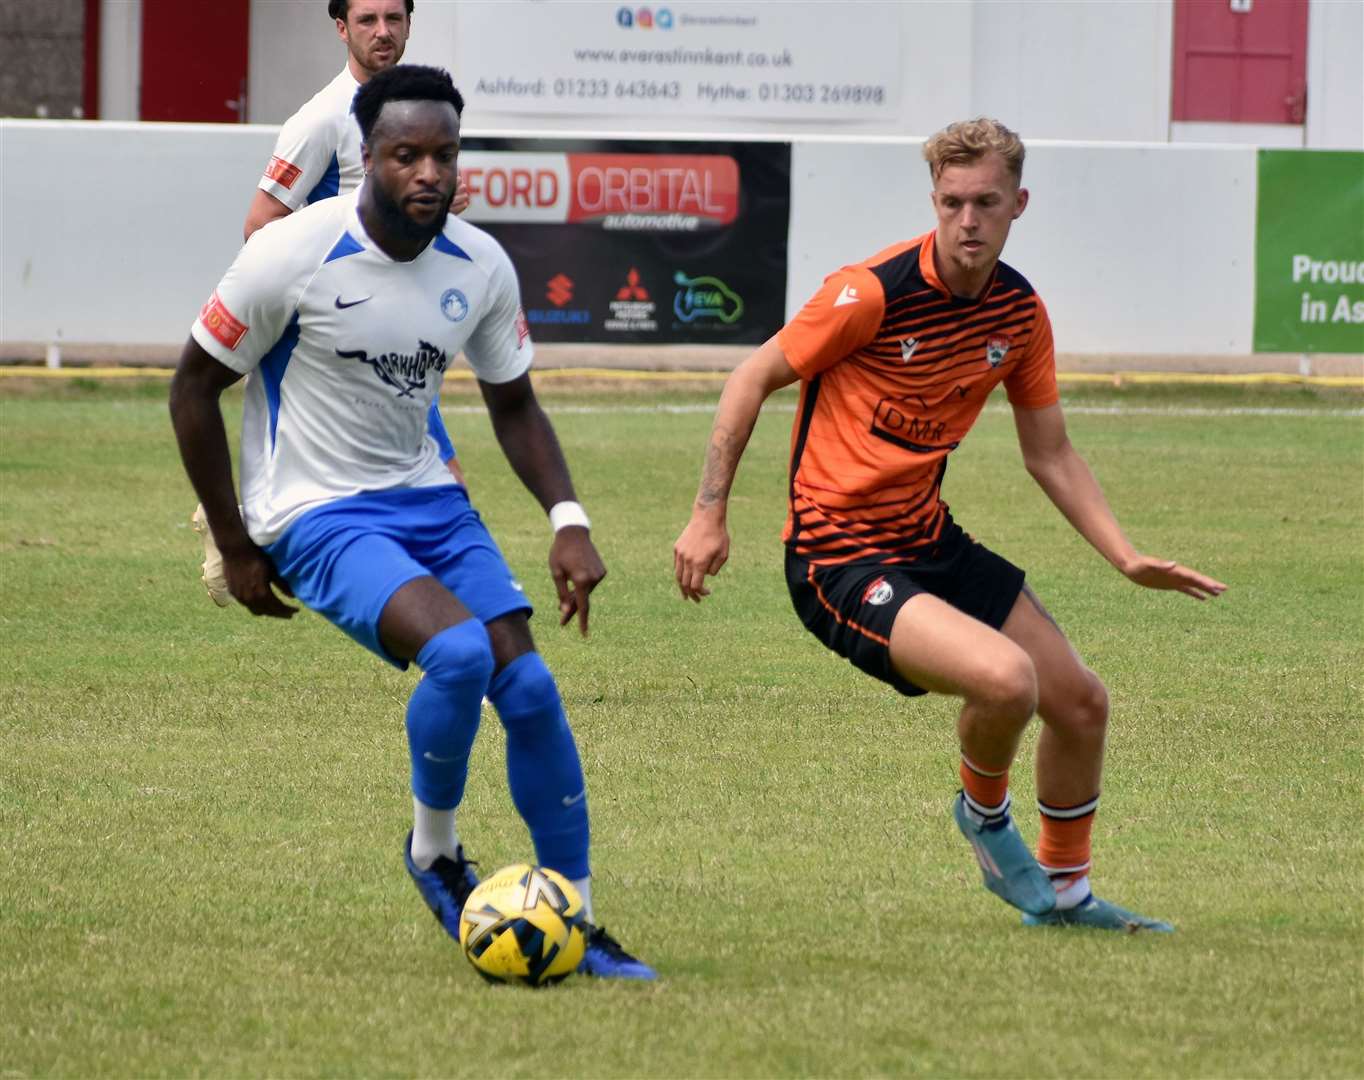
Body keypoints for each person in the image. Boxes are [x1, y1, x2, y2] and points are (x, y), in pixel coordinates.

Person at [673, 117, 1226, 932]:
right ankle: (986, 820)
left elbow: (1052, 454)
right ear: (934, 200)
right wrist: (708, 514)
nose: (968, 220)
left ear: (1018, 204)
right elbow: (753, 376)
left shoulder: (1018, 313)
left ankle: (1066, 896)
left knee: (1080, 702)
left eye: (986, 202)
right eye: (952, 202)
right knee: (1006, 680)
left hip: (928, 539)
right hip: (838, 555)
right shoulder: (870, 293)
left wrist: (1126, 556)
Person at [170, 65, 655, 979]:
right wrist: (236, 542)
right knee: (462, 654)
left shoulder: (479, 265)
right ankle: (435, 851)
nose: (428, 172)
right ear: (368, 160)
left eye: (444, 154)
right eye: (406, 155)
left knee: (532, 690)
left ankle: (577, 921)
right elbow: (193, 389)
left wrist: (568, 519)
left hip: (429, 499)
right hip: (314, 510)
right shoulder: (291, 254)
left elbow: (514, 406)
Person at [194, 0, 469, 604]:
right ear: (342, 29)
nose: (383, 32)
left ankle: (249, 515)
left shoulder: (417, 117)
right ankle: (457, 655)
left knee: (404, 491)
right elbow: (259, 227)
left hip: (395, 329)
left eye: (394, 19)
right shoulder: (321, 119)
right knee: (442, 491)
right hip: (338, 337)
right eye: (368, 20)